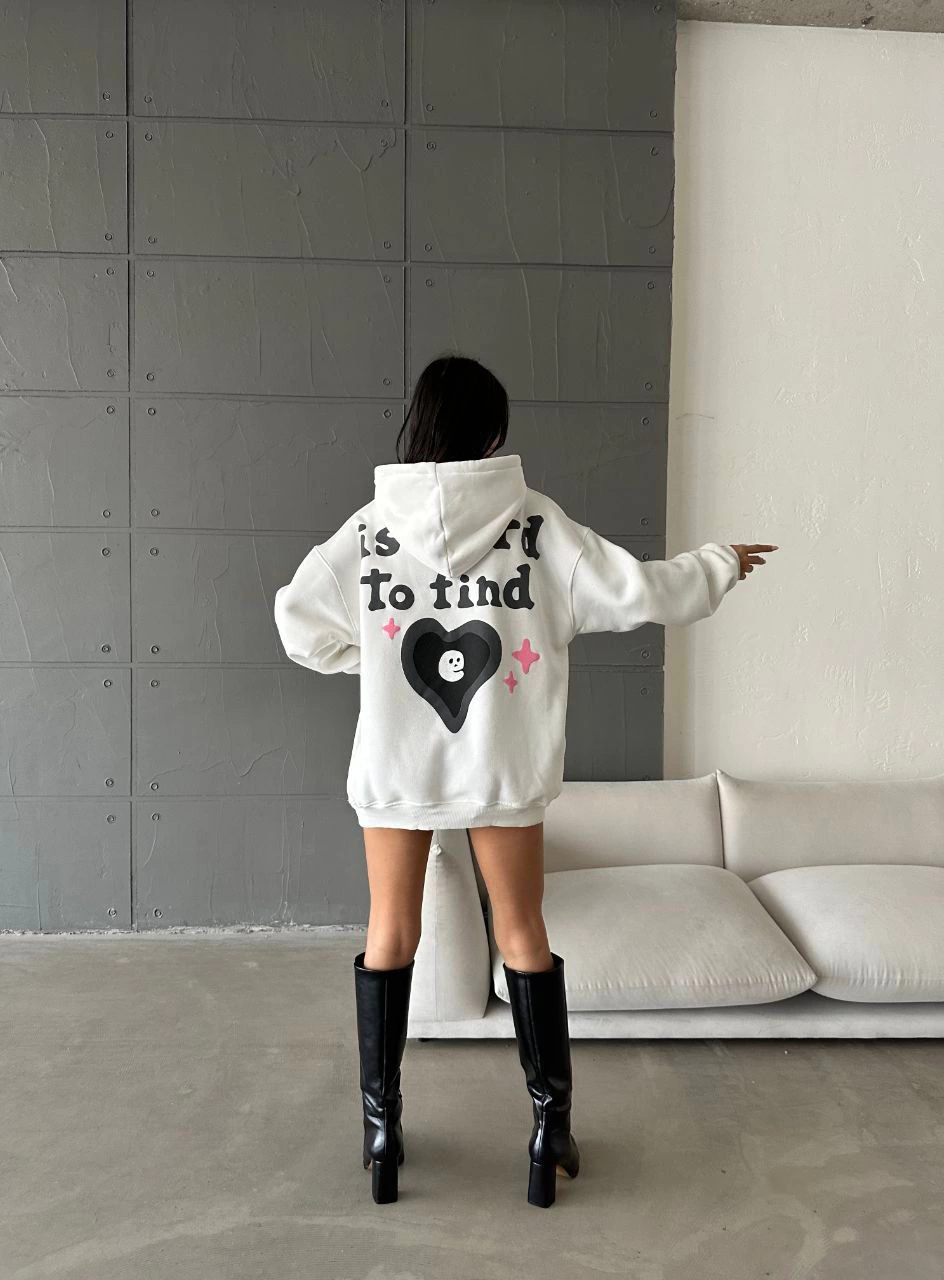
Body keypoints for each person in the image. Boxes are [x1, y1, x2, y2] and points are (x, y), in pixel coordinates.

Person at [273, 353, 777, 1208]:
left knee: (391, 932)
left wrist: (380, 666)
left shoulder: (368, 530)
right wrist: (719, 562)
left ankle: (382, 1133)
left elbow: (298, 624)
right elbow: (638, 592)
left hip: (398, 767)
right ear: (491, 432)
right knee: (521, 930)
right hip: (500, 767)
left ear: (420, 422)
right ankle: (550, 1131)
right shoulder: (536, 523)